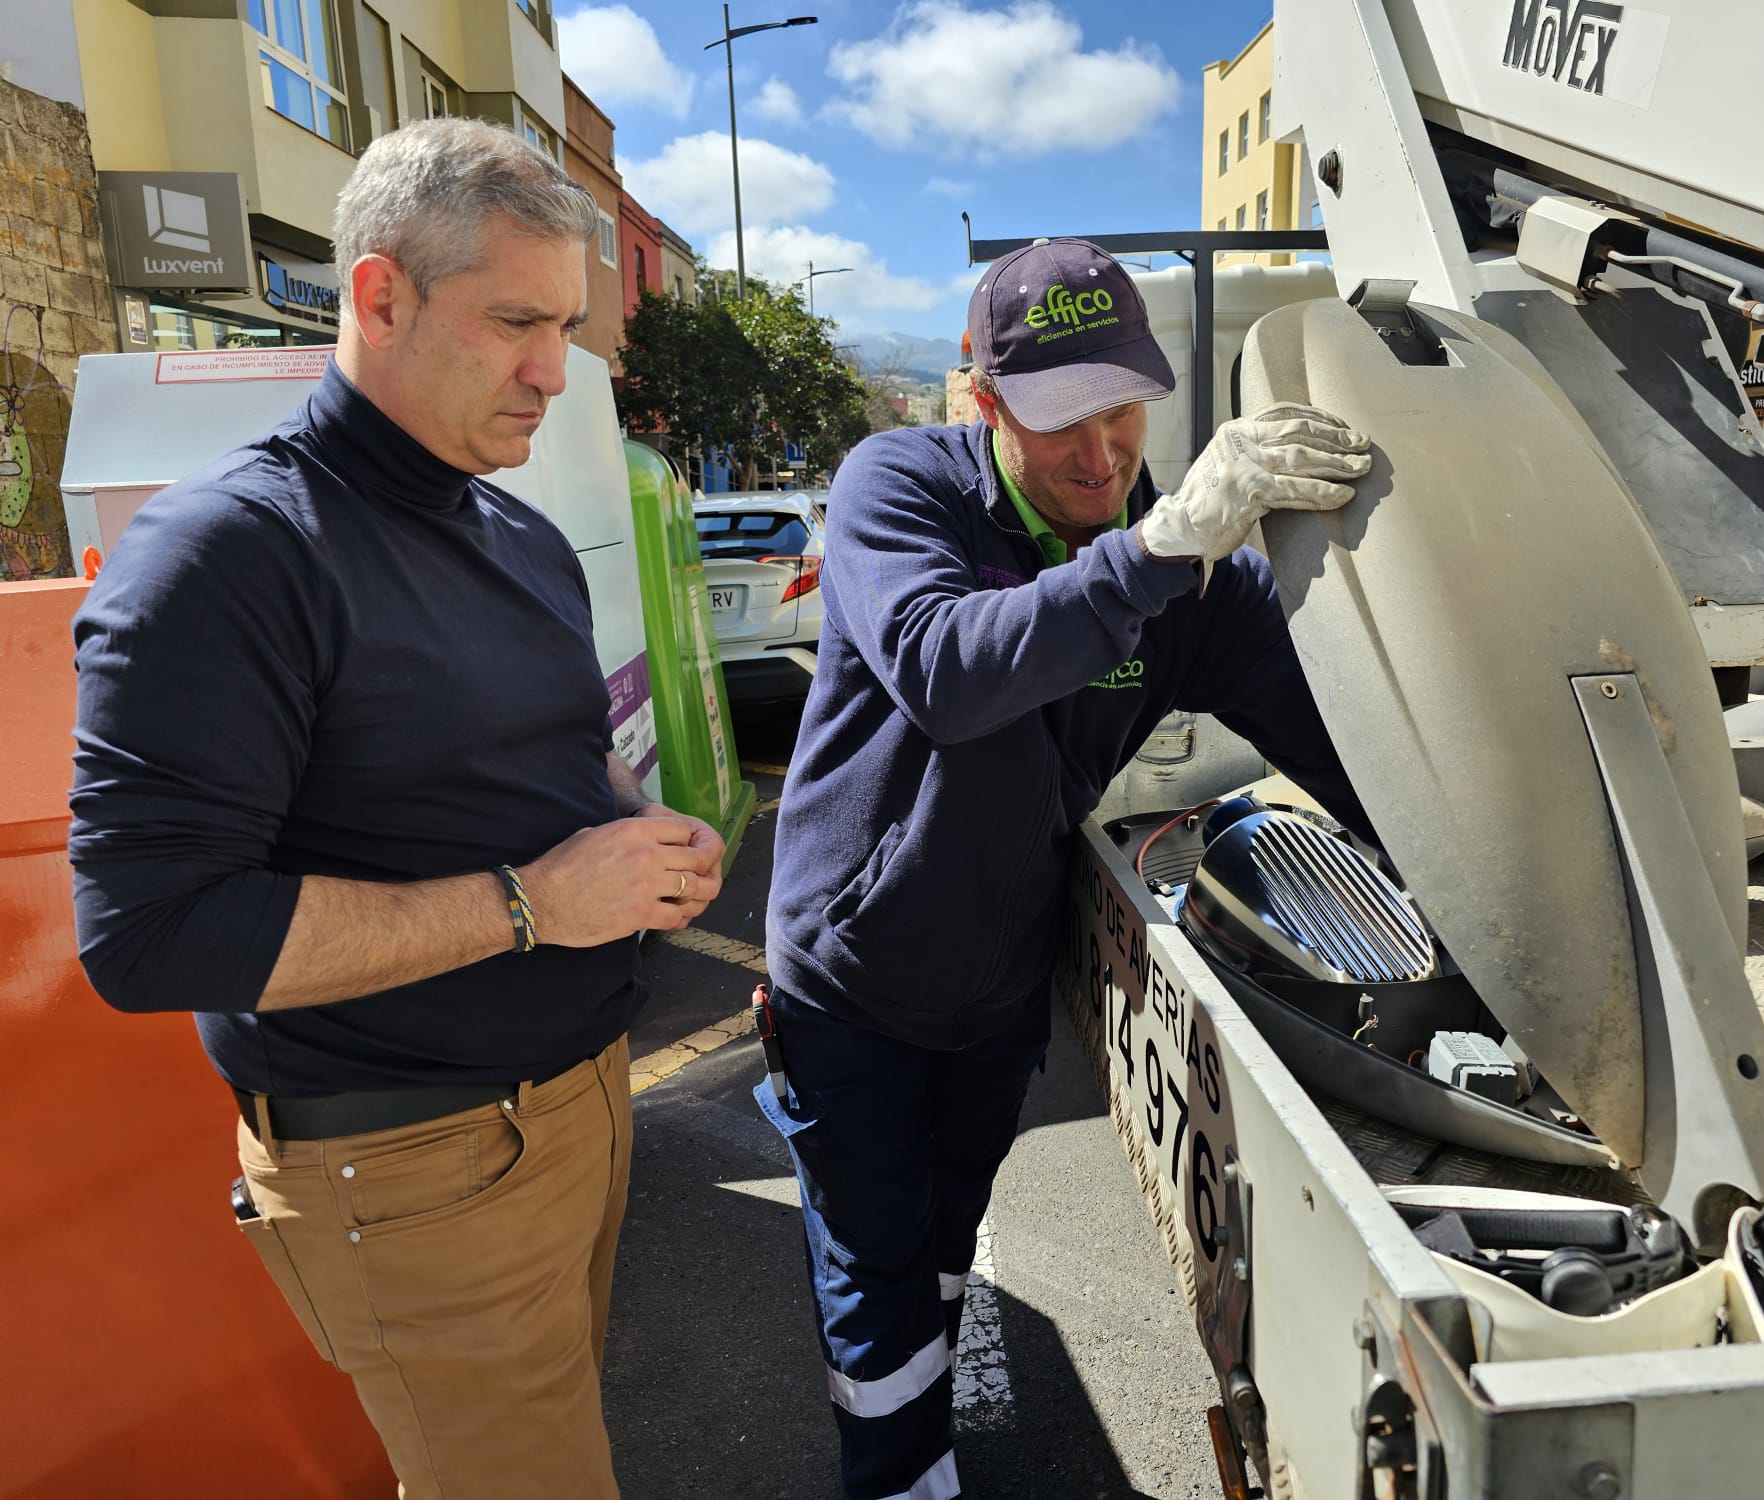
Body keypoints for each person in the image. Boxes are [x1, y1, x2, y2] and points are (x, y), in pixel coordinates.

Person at [67, 118, 723, 1499]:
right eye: (514, 323)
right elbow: (149, 934)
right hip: (410, 1163)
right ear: (378, 295)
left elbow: (538, 757)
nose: (554, 372)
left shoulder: (517, 528)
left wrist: (630, 828)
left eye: (568, 328)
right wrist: (541, 902)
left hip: (579, 1108)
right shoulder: (229, 554)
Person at [758, 237, 1374, 1500]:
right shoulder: (899, 487)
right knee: (872, 1262)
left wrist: (1458, 863)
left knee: (942, 1238)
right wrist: (1154, 551)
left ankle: (921, 1398)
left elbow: (1335, 741)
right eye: (1057, 424)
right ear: (981, 404)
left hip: (993, 983)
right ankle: (895, 1476)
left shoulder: (1194, 590)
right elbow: (946, 670)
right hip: (853, 980)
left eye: (1121, 412)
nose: (1100, 457)